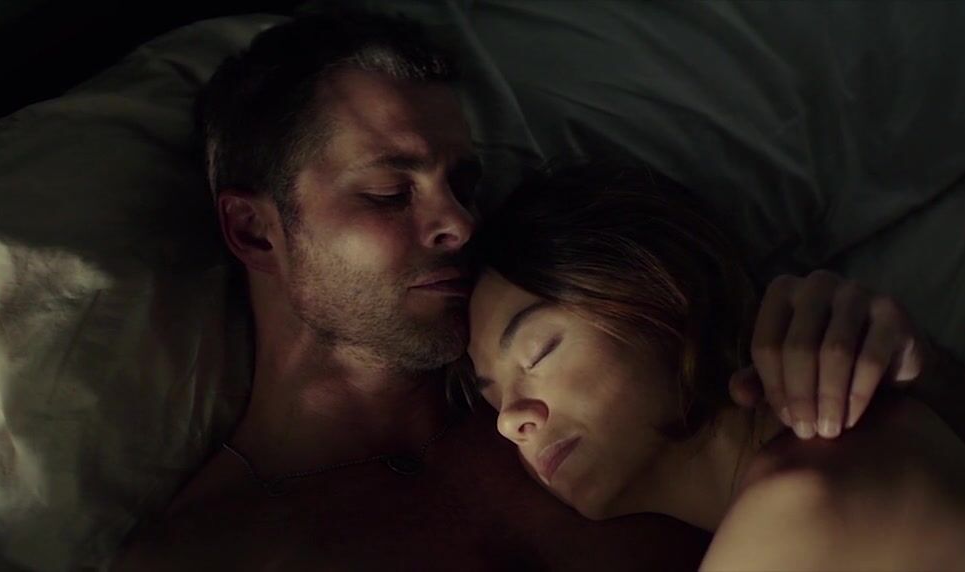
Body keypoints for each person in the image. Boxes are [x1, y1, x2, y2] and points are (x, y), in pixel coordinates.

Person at [114, 12, 712, 570]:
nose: (461, 223)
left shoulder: (591, 391)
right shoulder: (205, 551)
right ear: (255, 232)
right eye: (389, 193)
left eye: (464, 186)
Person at [461, 163, 965, 570]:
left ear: (665, 292)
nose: (510, 420)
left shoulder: (799, 505)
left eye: (538, 351)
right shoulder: (877, 443)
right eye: (492, 400)